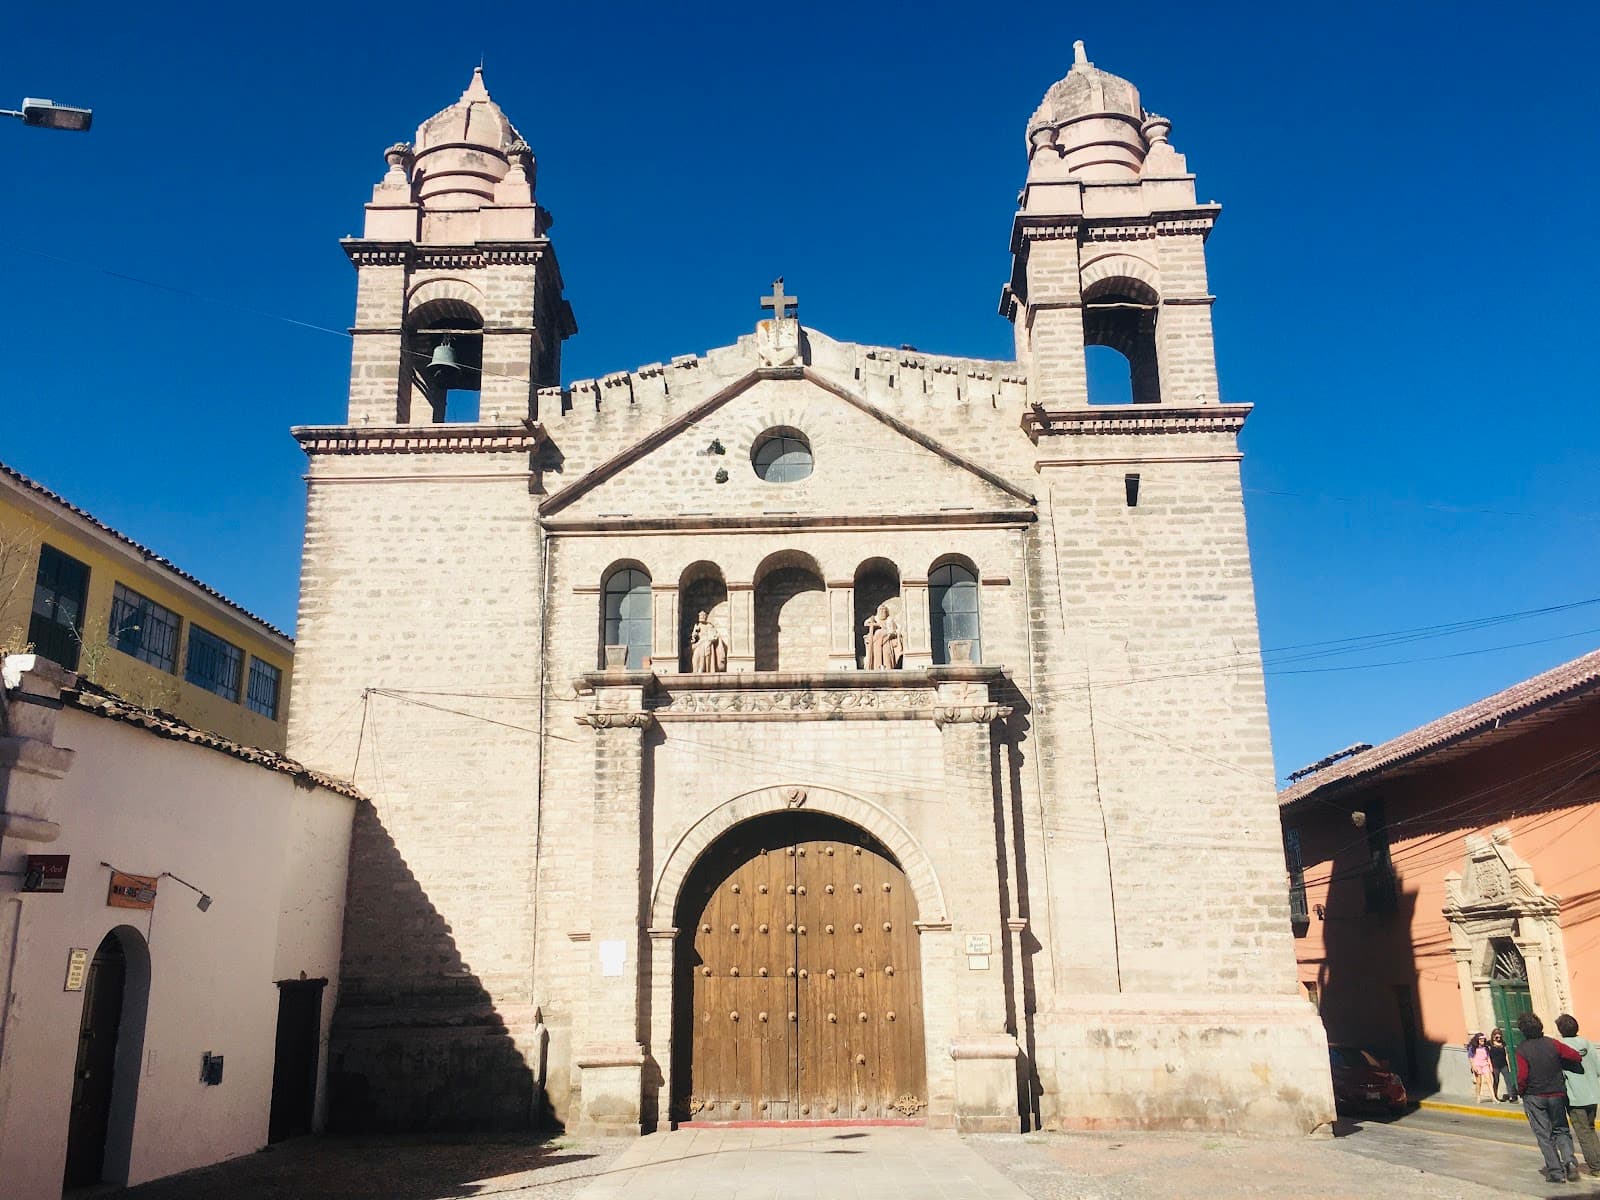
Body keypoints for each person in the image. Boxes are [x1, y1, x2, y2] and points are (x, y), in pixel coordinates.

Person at [1515, 1011, 1584, 1184]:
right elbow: (1575, 1056)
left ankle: (1556, 1172)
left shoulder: (1522, 1049)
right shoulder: (1553, 1043)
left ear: (1522, 1030)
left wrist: (1521, 1091)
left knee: (1544, 1134)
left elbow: (1522, 1076)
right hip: (1557, 1093)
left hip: (1534, 1095)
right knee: (1561, 1129)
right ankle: (1570, 1162)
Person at [1554, 1014, 1600, 1178]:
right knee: (1591, 1129)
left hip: (1575, 1097)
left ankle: (1596, 1166)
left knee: (1583, 1133)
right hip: (1592, 1093)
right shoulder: (1587, 1043)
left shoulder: (1560, 1046)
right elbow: (1598, 1068)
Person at [1489, 1028, 1517, 1102]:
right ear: (1493, 1036)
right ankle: (1495, 1096)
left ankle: (1511, 1096)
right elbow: (1488, 1056)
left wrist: (1509, 1065)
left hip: (1503, 1065)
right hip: (1495, 1065)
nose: (1499, 1039)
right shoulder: (1490, 1044)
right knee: (1496, 1080)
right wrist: (1489, 1066)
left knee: (1508, 1080)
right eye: (1497, 1037)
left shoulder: (1503, 1043)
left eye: (1500, 1037)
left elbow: (1506, 1054)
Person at [1468, 1032, 1494, 1103]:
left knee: (1489, 1081)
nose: (1482, 1041)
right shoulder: (1472, 1048)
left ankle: (1493, 1097)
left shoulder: (1486, 1048)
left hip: (1485, 1065)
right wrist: (1473, 1066)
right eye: (1481, 1040)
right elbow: (1470, 1058)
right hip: (1477, 1065)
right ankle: (1478, 1096)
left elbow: (1488, 1057)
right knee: (1479, 1082)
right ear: (1477, 1040)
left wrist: (1490, 1065)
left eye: (1483, 1040)